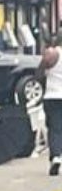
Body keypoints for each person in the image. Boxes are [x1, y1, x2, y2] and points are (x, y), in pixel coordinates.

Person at [42, 40, 62, 176]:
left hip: (52, 96)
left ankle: (55, 156)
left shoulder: (52, 54)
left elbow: (38, 73)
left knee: (55, 128)